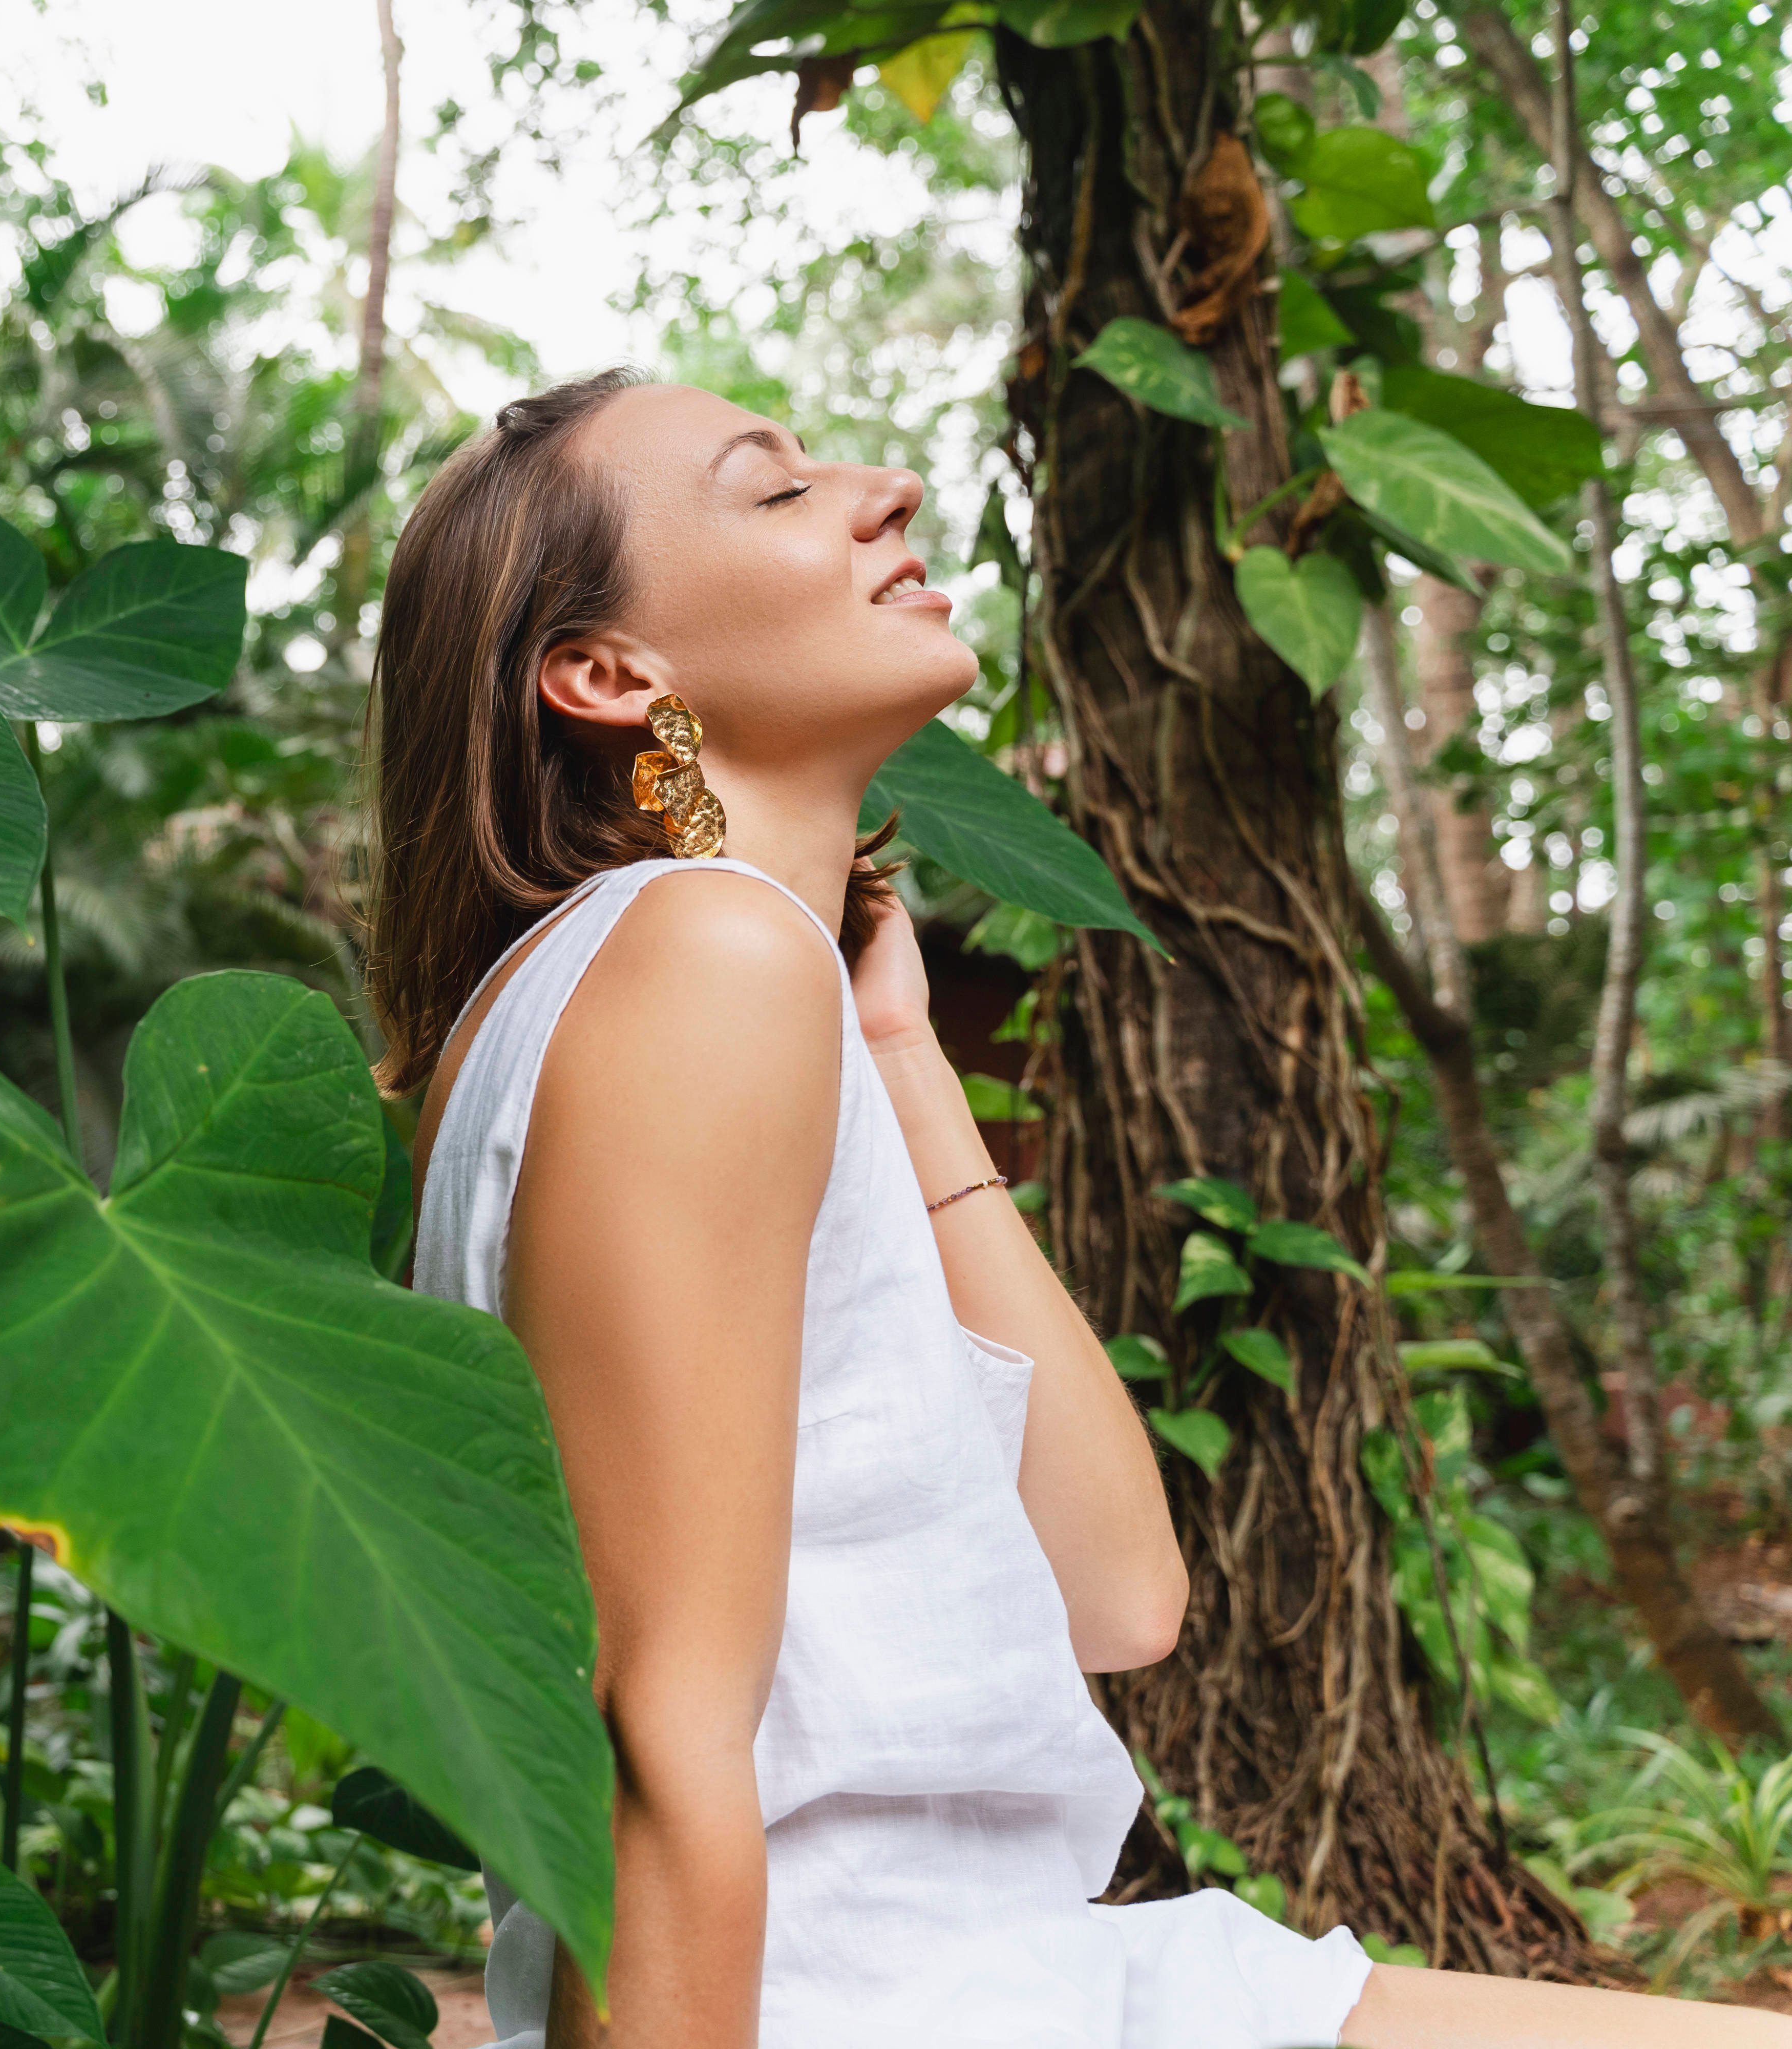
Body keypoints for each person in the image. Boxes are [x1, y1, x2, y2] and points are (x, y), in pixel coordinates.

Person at [368, 370, 1790, 2049]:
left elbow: (1121, 1590)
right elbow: (661, 1728)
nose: (884, 486)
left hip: (1032, 1972)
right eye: (774, 491)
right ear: (609, 675)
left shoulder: (710, 984)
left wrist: (902, 1052)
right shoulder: (695, 959)